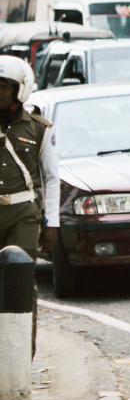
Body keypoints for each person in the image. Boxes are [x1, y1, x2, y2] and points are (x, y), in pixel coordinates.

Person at [0, 55, 56, 260]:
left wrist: (52, 223)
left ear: (19, 90)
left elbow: (51, 178)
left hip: (23, 212)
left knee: (20, 272)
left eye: (4, 87)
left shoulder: (39, 128)